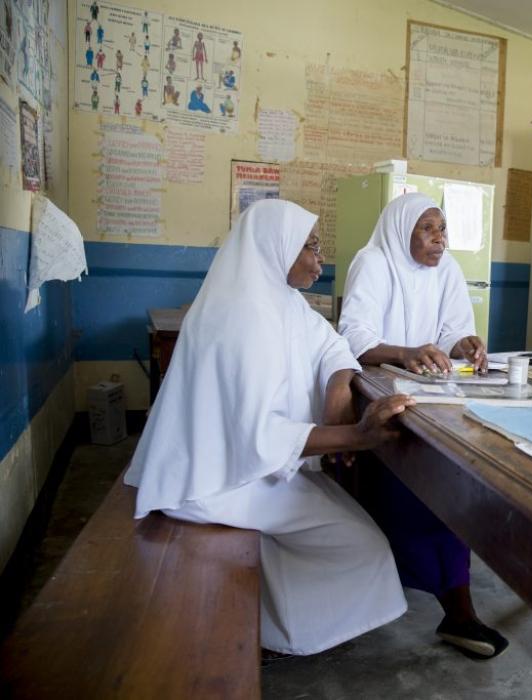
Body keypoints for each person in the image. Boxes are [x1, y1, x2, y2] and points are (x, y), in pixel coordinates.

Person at [125, 199, 414, 656]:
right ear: (276, 248)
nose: (320, 260)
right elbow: (260, 435)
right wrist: (356, 435)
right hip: (213, 481)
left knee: (349, 527)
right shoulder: (243, 317)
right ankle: (281, 629)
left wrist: (339, 388)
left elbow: (332, 344)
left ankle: (286, 623)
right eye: (311, 248)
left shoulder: (277, 298)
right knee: (363, 544)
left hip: (240, 464)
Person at [338, 193, 509, 659]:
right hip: (377, 395)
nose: (439, 239)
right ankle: (436, 603)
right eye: (428, 229)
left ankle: (455, 607)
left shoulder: (447, 268)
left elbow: (453, 330)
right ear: (402, 229)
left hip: (431, 395)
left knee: (447, 486)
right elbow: (353, 337)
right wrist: (404, 351)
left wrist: (464, 343)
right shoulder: (373, 262)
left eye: (443, 229)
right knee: (404, 493)